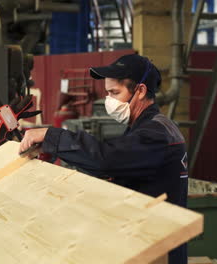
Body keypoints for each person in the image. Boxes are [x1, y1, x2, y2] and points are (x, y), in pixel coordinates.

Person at [19, 54, 188, 264]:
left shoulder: (154, 134)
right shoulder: (151, 126)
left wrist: (51, 135)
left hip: (158, 252)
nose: (109, 100)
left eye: (115, 93)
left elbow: (107, 160)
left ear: (141, 91)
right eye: (107, 93)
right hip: (150, 240)